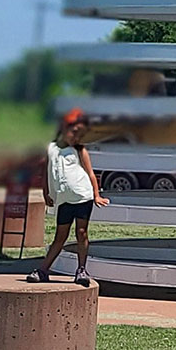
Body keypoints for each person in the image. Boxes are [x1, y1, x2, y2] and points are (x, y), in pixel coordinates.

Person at [29, 110, 106, 287]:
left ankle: (81, 269)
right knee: (60, 236)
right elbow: (46, 172)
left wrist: (96, 195)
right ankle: (43, 270)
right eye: (74, 132)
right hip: (64, 199)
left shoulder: (79, 150)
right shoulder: (51, 149)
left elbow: (90, 173)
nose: (76, 137)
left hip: (82, 196)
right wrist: (46, 193)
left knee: (81, 232)